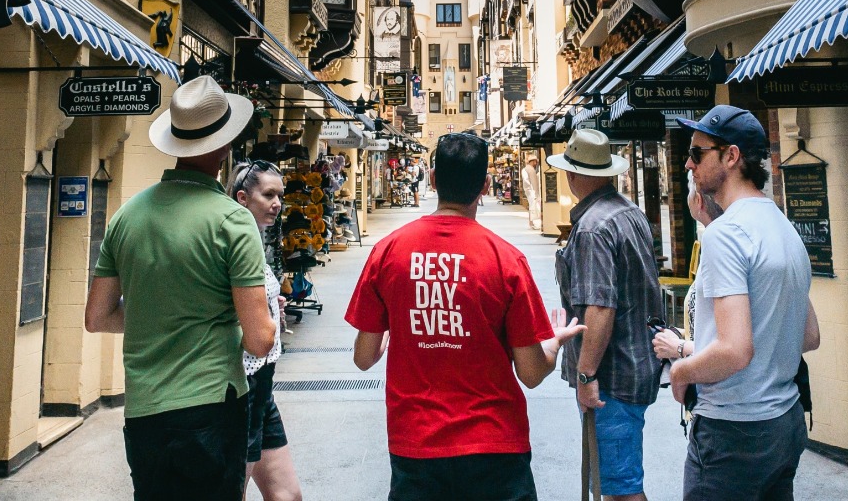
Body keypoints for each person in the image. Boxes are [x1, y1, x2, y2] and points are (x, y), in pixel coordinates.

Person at [346, 132, 585, 501]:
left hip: (415, 445)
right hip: (495, 447)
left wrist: (401, 330)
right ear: (485, 185)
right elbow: (533, 373)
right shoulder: (506, 260)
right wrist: (553, 342)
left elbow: (363, 358)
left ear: (433, 178)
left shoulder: (387, 252)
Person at [86, 76, 277, 500]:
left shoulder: (126, 216)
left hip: (144, 412)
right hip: (212, 405)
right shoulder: (232, 221)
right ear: (225, 148)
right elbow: (260, 340)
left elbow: (97, 317)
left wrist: (160, 314)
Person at [650, 106, 820, 501]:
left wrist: (680, 371)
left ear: (731, 156)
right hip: (784, 423)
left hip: (733, 431)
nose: (688, 164)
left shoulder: (726, 235)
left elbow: (735, 349)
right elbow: (808, 335)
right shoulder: (782, 226)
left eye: (697, 153)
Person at [549, 129, 664, 501]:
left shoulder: (593, 228)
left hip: (612, 378)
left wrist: (586, 375)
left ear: (572, 174)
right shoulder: (628, 212)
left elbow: (600, 308)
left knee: (621, 490)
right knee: (618, 483)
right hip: (636, 366)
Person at [230, 160, 304, 501]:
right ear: (243, 198)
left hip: (263, 385)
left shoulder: (255, 239)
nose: (277, 203)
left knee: (287, 494)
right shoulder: (233, 240)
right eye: (269, 195)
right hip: (244, 385)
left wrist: (271, 306)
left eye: (280, 195)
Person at [521, 156, 543, 231]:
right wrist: (530, 188)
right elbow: (526, 180)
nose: (536, 163)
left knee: (533, 205)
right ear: (532, 161)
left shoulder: (529, 169)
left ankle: (532, 222)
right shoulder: (528, 169)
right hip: (531, 190)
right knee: (533, 206)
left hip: (532, 190)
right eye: (535, 161)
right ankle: (532, 222)